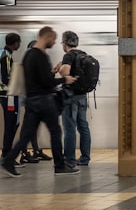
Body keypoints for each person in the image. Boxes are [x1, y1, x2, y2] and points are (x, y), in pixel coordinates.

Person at [1, 26, 78, 177]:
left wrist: (52, 72)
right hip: (44, 100)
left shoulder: (28, 55)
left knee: (27, 135)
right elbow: (47, 82)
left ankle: (8, 161)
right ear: (47, 36)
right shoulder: (41, 56)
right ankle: (60, 166)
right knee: (55, 131)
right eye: (53, 39)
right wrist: (65, 79)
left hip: (31, 100)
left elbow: (37, 78)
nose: (54, 42)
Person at [58, 31, 93, 169]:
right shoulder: (83, 54)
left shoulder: (68, 55)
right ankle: (85, 158)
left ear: (65, 43)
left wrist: (59, 67)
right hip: (83, 96)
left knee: (69, 128)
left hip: (71, 96)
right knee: (83, 126)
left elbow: (64, 72)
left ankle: (70, 160)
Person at [1, 33, 21, 163]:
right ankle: (7, 155)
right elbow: (6, 77)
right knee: (12, 124)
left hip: (3, 93)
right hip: (7, 94)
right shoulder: (6, 56)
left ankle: (6, 153)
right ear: (15, 43)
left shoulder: (2, 52)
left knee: (12, 123)